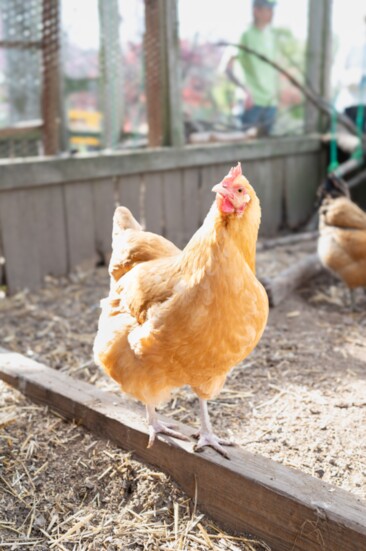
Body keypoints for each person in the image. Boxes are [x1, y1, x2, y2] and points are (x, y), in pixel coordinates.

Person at [225, 0, 279, 136]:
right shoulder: (244, 34)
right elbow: (227, 68)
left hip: (270, 103)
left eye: (272, 9)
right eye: (268, 8)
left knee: (268, 150)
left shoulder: (271, 36)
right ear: (256, 11)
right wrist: (244, 89)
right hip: (251, 103)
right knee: (243, 151)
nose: (272, 13)